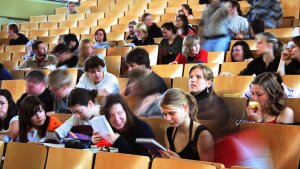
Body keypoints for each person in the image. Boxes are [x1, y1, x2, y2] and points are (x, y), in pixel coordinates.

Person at [158, 88, 214, 161]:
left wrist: (180, 162)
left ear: (185, 107)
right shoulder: (168, 132)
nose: (167, 118)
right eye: (164, 114)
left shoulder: (203, 134)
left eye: (172, 113)